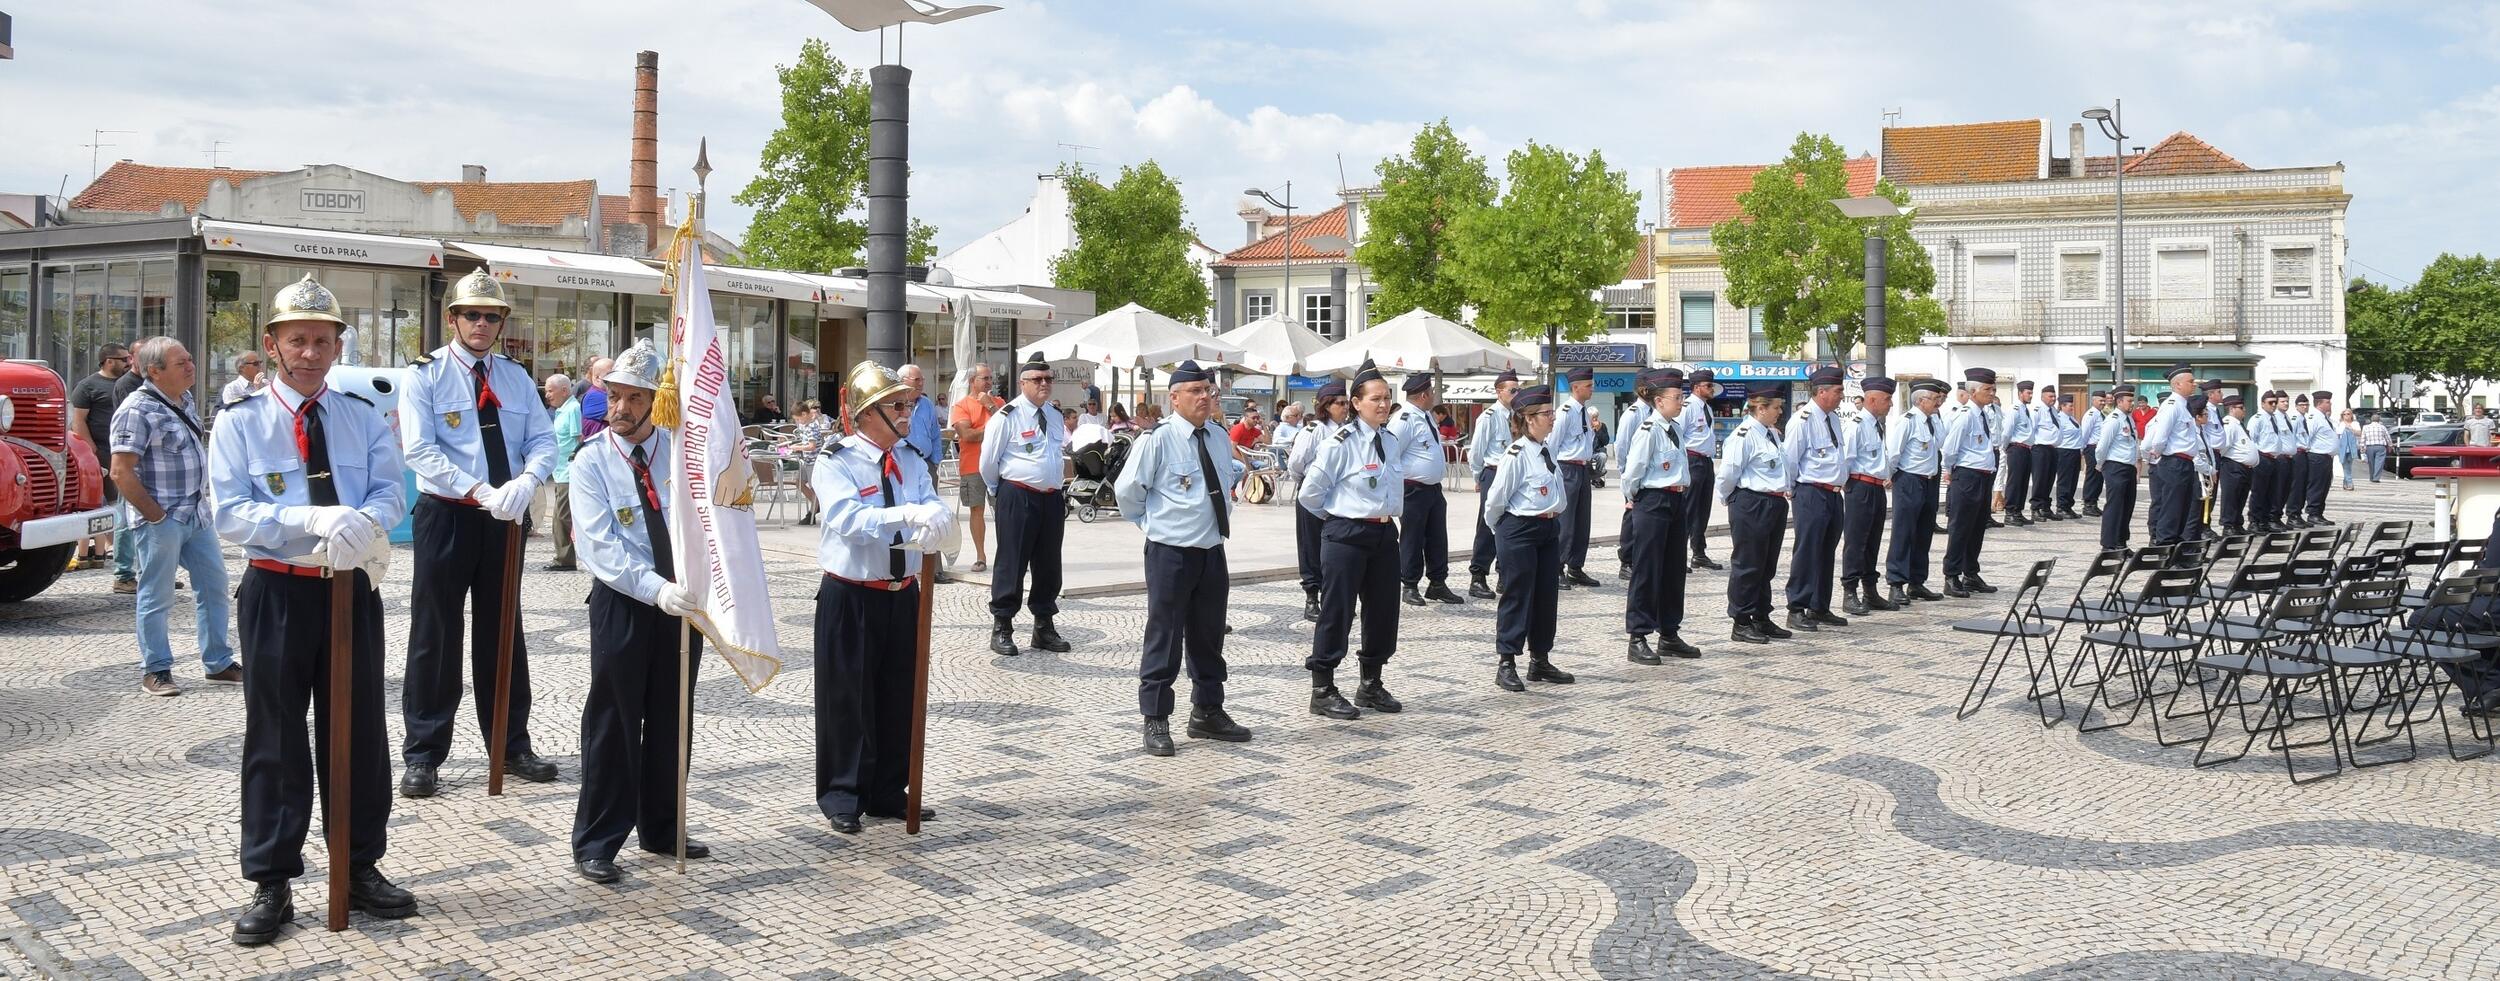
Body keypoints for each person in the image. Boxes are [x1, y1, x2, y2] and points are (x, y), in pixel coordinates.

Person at [206, 274, 414, 945]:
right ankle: (272, 878)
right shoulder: (240, 422)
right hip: (277, 589)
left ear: (337, 345)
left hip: (349, 586)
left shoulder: (359, 416)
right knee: (275, 735)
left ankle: (359, 865)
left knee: (356, 731)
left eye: (323, 339)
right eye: (298, 339)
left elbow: (390, 490)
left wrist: (366, 523)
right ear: (272, 345)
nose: (311, 351)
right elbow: (231, 512)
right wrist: (306, 514)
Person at [397, 269, 561, 797]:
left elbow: (542, 439)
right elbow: (419, 450)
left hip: (504, 517)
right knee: (435, 634)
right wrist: (477, 489)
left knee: (502, 630)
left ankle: (511, 743)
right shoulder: (425, 376)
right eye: (473, 314)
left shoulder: (514, 377)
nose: (483, 324)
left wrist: (529, 480)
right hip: (447, 514)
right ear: (453, 319)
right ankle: (424, 752)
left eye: (493, 316)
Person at [565, 340, 707, 883]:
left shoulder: (678, 452)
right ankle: (598, 839)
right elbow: (600, 549)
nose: (619, 408)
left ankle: (663, 824)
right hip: (625, 601)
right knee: (614, 719)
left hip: (682, 602)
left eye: (632, 398)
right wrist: (654, 588)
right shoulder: (592, 461)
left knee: (673, 713)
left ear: (657, 402)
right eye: (613, 396)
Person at [812, 361, 951, 835]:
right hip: (852, 594)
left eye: (908, 402)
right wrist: (904, 514)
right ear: (869, 414)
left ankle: (889, 790)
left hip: (902, 592)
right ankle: (843, 794)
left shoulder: (910, 458)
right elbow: (848, 520)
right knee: (848, 697)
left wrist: (933, 516)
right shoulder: (837, 461)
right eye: (896, 405)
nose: (907, 410)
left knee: (899, 695)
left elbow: (933, 500)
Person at [1112, 361, 1253, 757]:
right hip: (1170, 551)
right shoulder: (1156, 439)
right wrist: (1152, 524)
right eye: (1195, 391)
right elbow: (1129, 492)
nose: (1205, 396)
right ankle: (1155, 716)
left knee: (1208, 635)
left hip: (1211, 549)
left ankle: (1208, 710)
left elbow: (1224, 483)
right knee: (1165, 634)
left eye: (1207, 389)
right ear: (1173, 398)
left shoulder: (1218, 437)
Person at [110, 335, 237, 697]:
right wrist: (155, 515)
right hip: (162, 520)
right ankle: (156, 669)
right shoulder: (137, 409)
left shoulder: (185, 400)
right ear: (154, 371)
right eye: (181, 363)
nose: (191, 366)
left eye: (189, 359)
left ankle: (218, 661)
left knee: (214, 586)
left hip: (196, 515)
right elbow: (120, 471)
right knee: (157, 595)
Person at [1297, 359, 1407, 719]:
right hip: (1347, 533)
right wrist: (1337, 519)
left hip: (1384, 532)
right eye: (1375, 398)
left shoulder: (1389, 441)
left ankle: (1370, 683)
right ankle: (1323, 688)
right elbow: (1310, 495)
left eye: (1387, 397)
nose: (1382, 404)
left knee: (1383, 611)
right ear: (1356, 403)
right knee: (1338, 611)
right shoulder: (1340, 443)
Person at [1481, 382, 1576, 690]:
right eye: (1547, 413)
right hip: (1519, 528)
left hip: (1548, 529)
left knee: (1546, 597)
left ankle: (1540, 660)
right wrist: (1503, 531)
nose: (1553, 418)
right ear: (1529, 418)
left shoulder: (1545, 449)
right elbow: (1495, 501)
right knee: (1517, 594)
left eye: (1551, 412)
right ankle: (1506, 661)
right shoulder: (1516, 453)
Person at [980, 358, 1071, 658]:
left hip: (1051, 497)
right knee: (1011, 561)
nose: (1044, 383)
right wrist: (1000, 491)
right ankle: (1002, 625)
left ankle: (1043, 626)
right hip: (1018, 495)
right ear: (1023, 383)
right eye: (1037, 379)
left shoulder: (1055, 415)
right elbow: (988, 463)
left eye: (1048, 378)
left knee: (1049, 563)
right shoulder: (1007, 416)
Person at [1617, 369, 1699, 664]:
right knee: (1647, 570)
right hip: (1653, 501)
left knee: (1674, 569)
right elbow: (1632, 473)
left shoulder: (1674, 428)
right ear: (1660, 401)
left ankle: (1669, 633)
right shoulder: (1648, 430)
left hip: (1677, 500)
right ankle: (1638, 636)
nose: (1681, 401)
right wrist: (1635, 500)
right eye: (1677, 397)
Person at [1717, 392, 1793, 644]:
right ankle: (1741, 621)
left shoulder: (1769, 433)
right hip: (1751, 501)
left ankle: (1761, 615)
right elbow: (1729, 472)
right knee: (1748, 564)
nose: (1780, 412)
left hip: (1774, 501)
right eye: (1776, 408)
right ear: (1760, 408)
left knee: (1766, 565)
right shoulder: (1744, 435)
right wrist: (1731, 498)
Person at [1782, 366, 1851, 633]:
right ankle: (1797, 607)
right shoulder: (1802, 420)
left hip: (1833, 494)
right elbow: (1790, 459)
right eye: (1838, 391)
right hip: (1811, 492)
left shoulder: (1832, 418)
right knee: (1808, 551)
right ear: (1821, 392)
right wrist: (1791, 489)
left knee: (1826, 552)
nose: (1841, 396)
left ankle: (1819, 606)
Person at [1390, 372, 1459, 607]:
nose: (1434, 397)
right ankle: (1409, 584)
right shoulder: (1404, 419)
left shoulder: (1426, 416)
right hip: (1413, 489)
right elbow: (1391, 454)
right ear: (1423, 394)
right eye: (1431, 393)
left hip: (1432, 489)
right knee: (1413, 537)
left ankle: (1437, 582)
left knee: (1437, 537)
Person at [68, 344, 132, 582]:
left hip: (125, 450)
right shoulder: (88, 386)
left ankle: (122, 556)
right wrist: (90, 451)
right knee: (112, 504)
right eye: (123, 358)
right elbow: (78, 421)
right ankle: (118, 560)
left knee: (124, 505)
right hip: (102, 453)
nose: (128, 362)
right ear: (108, 361)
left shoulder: (127, 384)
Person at [1290, 382, 1351, 620]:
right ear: (1327, 405)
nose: (1345, 408)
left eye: (1346, 403)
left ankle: (1332, 595)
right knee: (1310, 545)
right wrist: (1306, 482)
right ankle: (1311, 597)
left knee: (1333, 545)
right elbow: (1296, 463)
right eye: (1340, 403)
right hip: (1313, 492)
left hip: (1337, 494)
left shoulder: (1347, 430)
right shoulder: (1314, 430)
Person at [1884, 379, 1947, 606]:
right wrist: (1890, 476)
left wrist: (1937, 418)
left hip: (1929, 481)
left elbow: (1941, 442)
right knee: (1904, 531)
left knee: (1923, 532)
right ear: (1920, 400)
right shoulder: (1907, 421)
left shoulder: (1932, 421)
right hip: (1909, 480)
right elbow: (1894, 453)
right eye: (1934, 398)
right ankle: (1896, 583)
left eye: (1939, 399)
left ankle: (1917, 581)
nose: (1938, 402)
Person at [1939, 368, 2002, 597]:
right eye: (1988, 389)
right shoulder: (1965, 415)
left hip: (1983, 476)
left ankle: (1970, 573)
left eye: (1993, 388)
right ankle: (1952, 575)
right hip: (1967, 476)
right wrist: (1950, 471)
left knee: (1977, 527)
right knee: (1961, 527)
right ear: (1974, 391)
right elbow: (1949, 449)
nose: (1992, 393)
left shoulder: (1984, 414)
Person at [1840, 377, 1897, 617]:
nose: (1891, 404)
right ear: (1872, 400)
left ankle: (1870, 590)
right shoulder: (1856, 425)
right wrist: (1848, 487)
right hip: (1860, 487)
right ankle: (1849, 591)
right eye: (1887, 399)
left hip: (1876, 488)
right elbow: (1846, 459)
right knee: (1856, 541)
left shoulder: (1876, 424)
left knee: (1873, 541)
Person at [1464, 371, 1520, 599]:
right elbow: (1476, 451)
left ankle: (1503, 574)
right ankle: (1478, 575)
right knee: (1487, 524)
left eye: (1519, 390)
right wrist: (1479, 477)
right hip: (1493, 472)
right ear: (1499, 391)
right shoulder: (1488, 416)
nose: (1517, 394)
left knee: (1509, 524)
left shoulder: (1518, 415)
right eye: (1513, 390)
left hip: (1513, 473)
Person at [2140, 364, 2203, 547]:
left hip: (2186, 462)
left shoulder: (2184, 406)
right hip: (2174, 462)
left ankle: (2177, 551)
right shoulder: (2172, 405)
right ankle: (2165, 550)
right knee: (2172, 509)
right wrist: (2159, 454)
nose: (2194, 384)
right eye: (2190, 381)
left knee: (2183, 510)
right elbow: (2160, 437)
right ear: (2177, 385)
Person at [949, 364, 1000, 573]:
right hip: (972, 465)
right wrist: (992, 428)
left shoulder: (998, 403)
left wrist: (990, 407)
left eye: (990, 378)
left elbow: (1011, 427)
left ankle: (1009, 554)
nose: (989, 382)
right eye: (984, 378)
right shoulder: (961, 406)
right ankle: (981, 556)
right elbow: (967, 435)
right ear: (972, 381)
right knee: (976, 510)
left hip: (999, 466)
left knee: (1003, 511)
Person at [1552, 367, 1600, 587]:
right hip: (1567, 467)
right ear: (1575, 387)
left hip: (1582, 469)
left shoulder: (1584, 412)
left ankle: (1576, 566)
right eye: (1588, 385)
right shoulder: (1564, 412)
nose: (1592, 388)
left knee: (1582, 521)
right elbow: (1552, 445)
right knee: (1566, 521)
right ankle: (1557, 568)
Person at [1612, 374, 1657, 579]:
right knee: (1631, 519)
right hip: (1635, 476)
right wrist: (1625, 474)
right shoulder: (1633, 414)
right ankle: (1627, 561)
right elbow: (1621, 447)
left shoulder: (1655, 412)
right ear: (1643, 389)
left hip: (1651, 477)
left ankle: (1642, 559)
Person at [1680, 370, 1724, 571]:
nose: (1711, 389)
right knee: (1688, 509)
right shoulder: (1687, 407)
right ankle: (1679, 554)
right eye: (1708, 386)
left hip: (1706, 462)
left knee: (1703, 510)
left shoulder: (1706, 407)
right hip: (1692, 460)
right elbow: (1677, 435)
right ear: (1696, 387)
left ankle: (1699, 552)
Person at [543, 373, 582, 571]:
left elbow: (578, 439)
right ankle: (563, 557)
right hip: (559, 472)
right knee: (560, 517)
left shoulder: (572, 409)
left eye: (551, 390)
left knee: (561, 517)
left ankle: (565, 559)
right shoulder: (561, 410)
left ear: (564, 391)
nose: (547, 394)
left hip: (567, 472)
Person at [2096, 388, 2142, 550]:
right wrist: (2100, 464)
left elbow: (2133, 443)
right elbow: (2102, 446)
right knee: (2115, 506)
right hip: (2115, 466)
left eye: (2132, 400)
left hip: (2128, 467)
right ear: (2119, 401)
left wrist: (2137, 464)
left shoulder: (2128, 419)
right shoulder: (2113, 420)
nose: (2132, 404)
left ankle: (2121, 542)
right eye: (2129, 401)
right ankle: (2108, 544)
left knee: (2127, 506)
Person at [2250, 390, 2293, 532]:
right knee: (2259, 491)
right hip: (2262, 457)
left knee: (2271, 492)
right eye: (2270, 403)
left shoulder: (2273, 418)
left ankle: (2265, 520)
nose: (2273, 405)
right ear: (2262, 404)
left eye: (2275, 402)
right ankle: (2254, 521)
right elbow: (2252, 440)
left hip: (2274, 459)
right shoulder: (2257, 419)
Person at [2216, 394, 2258, 536]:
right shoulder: (2229, 423)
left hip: (2244, 467)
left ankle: (2237, 523)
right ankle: (2228, 525)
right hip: (2233, 466)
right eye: (2241, 407)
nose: (2244, 410)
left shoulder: (2238, 424)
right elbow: (2223, 447)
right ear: (2232, 408)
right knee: (2231, 496)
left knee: (2240, 496)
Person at [2034, 386, 2077, 521]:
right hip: (2041, 448)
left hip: (2053, 449)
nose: (2053, 399)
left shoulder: (2053, 411)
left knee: (2049, 480)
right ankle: (2035, 508)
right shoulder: (2038, 410)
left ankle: (2045, 507)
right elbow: (2032, 428)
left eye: (2054, 397)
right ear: (2042, 397)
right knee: (2040, 480)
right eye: (2050, 396)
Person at [2001, 380, 2039, 527]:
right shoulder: (2014, 409)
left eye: (2031, 393)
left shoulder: (2025, 409)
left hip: (2027, 449)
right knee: (2015, 481)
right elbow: (2007, 431)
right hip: (2016, 448)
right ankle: (2010, 512)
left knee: (2023, 482)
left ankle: (2018, 511)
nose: (2030, 395)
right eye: (2028, 393)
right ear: (2020, 393)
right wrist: (2005, 447)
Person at [2299, 391, 2340, 523]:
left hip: (2326, 458)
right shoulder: (2314, 417)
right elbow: (2307, 436)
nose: (2330, 404)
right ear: (2319, 403)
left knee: (2324, 485)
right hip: (2317, 457)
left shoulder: (2324, 418)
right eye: (2327, 402)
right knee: (2317, 486)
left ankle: (2319, 512)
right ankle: (2313, 513)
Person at [2283, 393, 2315, 527]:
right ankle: (2293, 514)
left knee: (2302, 485)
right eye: (2301, 405)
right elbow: (2292, 437)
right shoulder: (2295, 419)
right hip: (2298, 453)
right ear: (2296, 406)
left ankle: (2298, 513)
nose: (2304, 407)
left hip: (2304, 453)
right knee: (2296, 485)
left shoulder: (2303, 418)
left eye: (2306, 404)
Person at [2078, 390, 2109, 517]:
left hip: (2099, 449)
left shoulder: (2101, 414)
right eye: (2100, 400)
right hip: (2092, 448)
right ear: (2093, 400)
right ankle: (2088, 504)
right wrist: (2082, 449)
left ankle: (2094, 502)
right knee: (2092, 476)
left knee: (2098, 477)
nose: (2102, 403)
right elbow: (2085, 433)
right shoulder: (2091, 414)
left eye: (2104, 401)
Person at [579, 356, 612, 441]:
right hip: (599, 450)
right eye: (610, 374)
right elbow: (622, 417)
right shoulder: (594, 396)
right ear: (597, 378)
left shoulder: (606, 394)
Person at [2362, 414, 2393, 483]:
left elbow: (2363, 438)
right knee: (2379, 462)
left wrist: (2362, 448)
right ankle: (2376, 478)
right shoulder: (2382, 427)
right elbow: (2387, 437)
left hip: (2370, 447)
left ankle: (2371, 477)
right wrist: (2390, 445)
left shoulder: (2365, 427)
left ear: (2371, 419)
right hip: (2380, 447)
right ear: (2379, 420)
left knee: (2371, 463)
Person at [2337, 409, 2360, 490]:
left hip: (2352, 448)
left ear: (2351, 415)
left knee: (2348, 466)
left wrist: (2351, 429)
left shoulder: (2355, 423)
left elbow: (2359, 433)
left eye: (2348, 414)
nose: (2346, 415)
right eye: (2344, 414)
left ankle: (2346, 482)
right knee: (2345, 465)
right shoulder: (2340, 424)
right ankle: (2349, 483)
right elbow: (2337, 435)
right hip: (2342, 448)